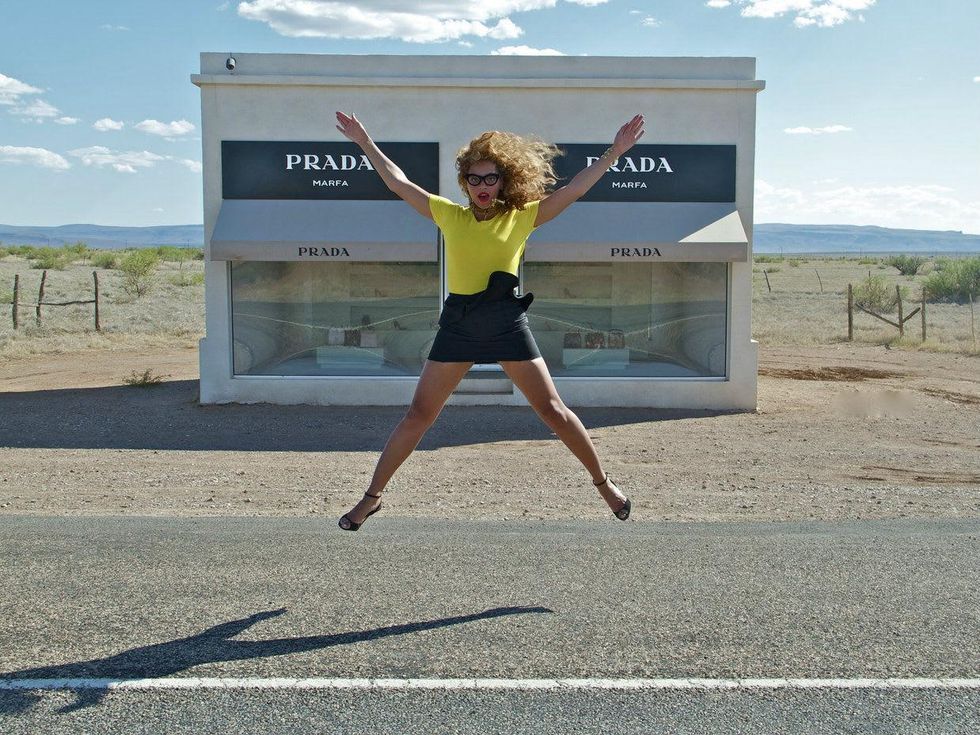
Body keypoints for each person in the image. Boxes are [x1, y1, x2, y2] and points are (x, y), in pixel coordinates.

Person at [334, 111, 645, 531]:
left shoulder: (522, 217)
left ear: (505, 180)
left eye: (491, 178)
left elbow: (573, 189)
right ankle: (370, 499)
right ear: (465, 183)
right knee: (418, 415)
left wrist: (615, 151)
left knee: (553, 411)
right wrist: (364, 142)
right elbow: (398, 182)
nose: (483, 187)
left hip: (504, 323)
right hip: (459, 325)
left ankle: (605, 485)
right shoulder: (449, 215)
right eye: (475, 179)